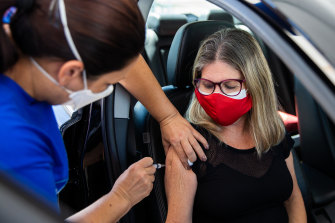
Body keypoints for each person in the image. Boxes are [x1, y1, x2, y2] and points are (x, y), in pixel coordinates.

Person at [0, 0, 208, 222]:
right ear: (70, 72)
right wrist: (122, 197)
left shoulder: (29, 79)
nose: (107, 90)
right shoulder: (14, 141)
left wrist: (168, 117)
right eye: (108, 83)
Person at [164, 28, 307, 223]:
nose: (216, 96)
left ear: (255, 84)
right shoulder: (189, 145)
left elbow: (293, 200)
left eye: (230, 86)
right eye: (207, 85)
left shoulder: (272, 130)